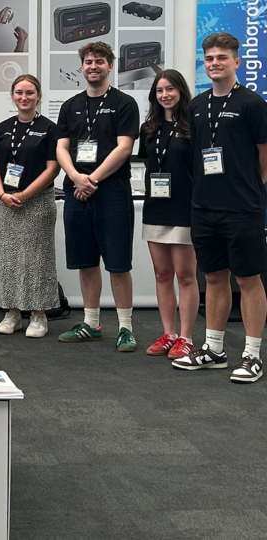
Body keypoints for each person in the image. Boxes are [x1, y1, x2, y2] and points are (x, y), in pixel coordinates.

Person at [172, 32, 267, 383]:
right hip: (204, 208)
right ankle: (214, 349)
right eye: (209, 58)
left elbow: (263, 158)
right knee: (213, 277)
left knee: (249, 279)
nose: (214, 63)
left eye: (221, 58)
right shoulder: (196, 106)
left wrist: (245, 188)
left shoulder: (253, 105)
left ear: (236, 61)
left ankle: (252, 355)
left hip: (243, 208)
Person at [54, 42, 139, 352]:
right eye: (88, 61)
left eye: (99, 61)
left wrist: (93, 178)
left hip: (112, 191)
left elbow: (124, 147)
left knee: (118, 263)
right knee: (85, 260)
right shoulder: (70, 105)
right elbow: (62, 148)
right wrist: (76, 177)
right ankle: (91, 323)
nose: (93, 66)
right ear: (81, 67)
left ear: (110, 66)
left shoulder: (125, 103)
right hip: (77, 191)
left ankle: (126, 328)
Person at [0, 74, 61, 338]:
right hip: (6, 202)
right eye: (19, 93)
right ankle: (12, 312)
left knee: (37, 258)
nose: (24, 98)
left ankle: (38, 314)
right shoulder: (3, 128)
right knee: (9, 257)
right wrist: (1, 193)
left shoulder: (50, 129)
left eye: (29, 93)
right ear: (12, 96)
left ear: (38, 96)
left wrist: (27, 194)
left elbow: (53, 168)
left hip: (37, 201)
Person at [136, 70, 197, 359]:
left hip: (184, 208)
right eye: (159, 91)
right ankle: (168, 333)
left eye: (170, 89)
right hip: (156, 207)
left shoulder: (194, 127)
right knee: (162, 274)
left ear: (181, 91)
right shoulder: (148, 128)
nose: (165, 95)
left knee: (185, 275)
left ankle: (186, 337)